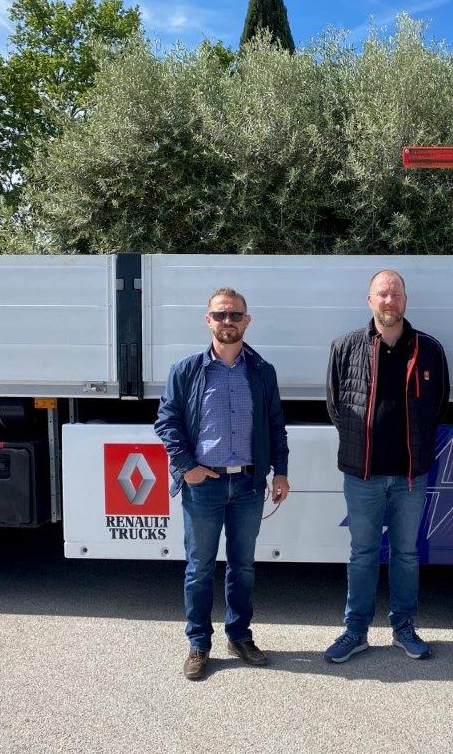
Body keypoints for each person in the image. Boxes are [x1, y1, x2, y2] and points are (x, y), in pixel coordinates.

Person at [155, 287, 290, 681]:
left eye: (235, 315)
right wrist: (186, 467)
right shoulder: (187, 370)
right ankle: (199, 643)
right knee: (199, 569)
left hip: (248, 484)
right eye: (220, 315)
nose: (227, 322)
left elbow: (275, 426)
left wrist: (279, 472)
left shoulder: (262, 371)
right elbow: (167, 422)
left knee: (242, 566)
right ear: (208, 320)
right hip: (204, 487)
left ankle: (239, 635)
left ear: (247, 321)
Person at [324, 269, 449, 662]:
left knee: (406, 554)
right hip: (363, 474)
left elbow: (438, 405)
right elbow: (335, 406)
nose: (389, 301)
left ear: (405, 300)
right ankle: (356, 631)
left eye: (395, 294)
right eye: (382, 294)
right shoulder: (345, 347)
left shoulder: (429, 349)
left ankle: (403, 627)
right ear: (370, 301)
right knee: (362, 553)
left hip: (411, 475)